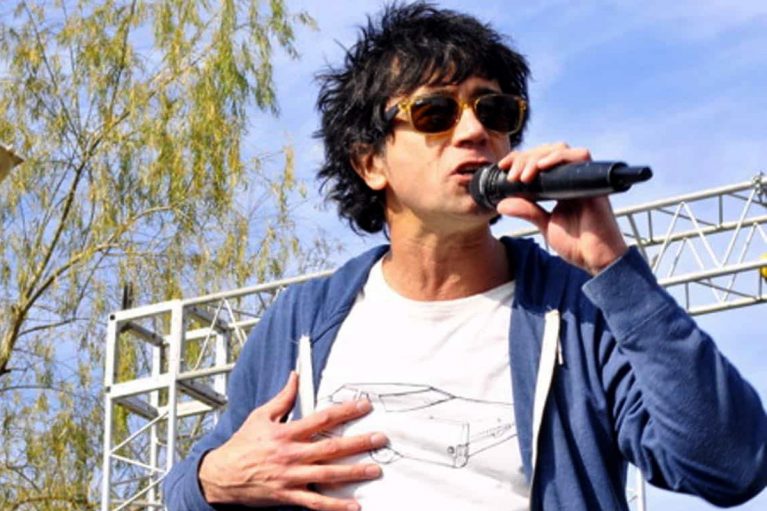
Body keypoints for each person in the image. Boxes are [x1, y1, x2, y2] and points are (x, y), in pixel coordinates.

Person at [163, 3, 767, 510]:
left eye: (494, 111)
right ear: (369, 163)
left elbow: (732, 465)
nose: (475, 131)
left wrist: (614, 270)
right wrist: (212, 479)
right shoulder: (301, 322)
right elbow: (203, 481)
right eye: (435, 112)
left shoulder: (579, 310)